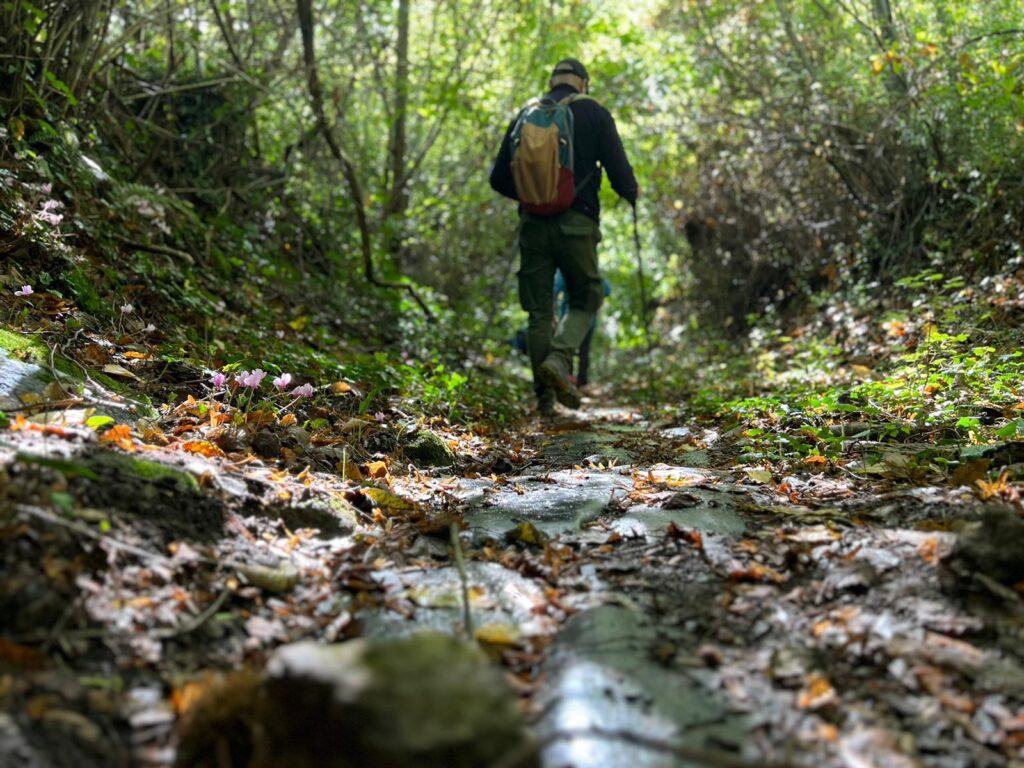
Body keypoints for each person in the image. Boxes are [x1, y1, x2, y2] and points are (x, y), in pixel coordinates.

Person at [489, 57, 638, 417]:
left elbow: (498, 178)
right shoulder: (594, 113)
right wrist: (631, 193)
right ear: (583, 83)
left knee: (539, 311)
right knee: (586, 297)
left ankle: (545, 401)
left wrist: (532, 196)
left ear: (552, 81)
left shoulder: (526, 114)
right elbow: (620, 175)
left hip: (533, 227)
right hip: (578, 224)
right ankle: (559, 359)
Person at [553, 269, 611, 389]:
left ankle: (570, 382)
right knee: (583, 351)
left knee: (569, 349)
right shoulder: (592, 270)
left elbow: (556, 289)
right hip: (588, 320)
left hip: (569, 320)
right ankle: (579, 383)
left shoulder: (566, 269)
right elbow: (607, 289)